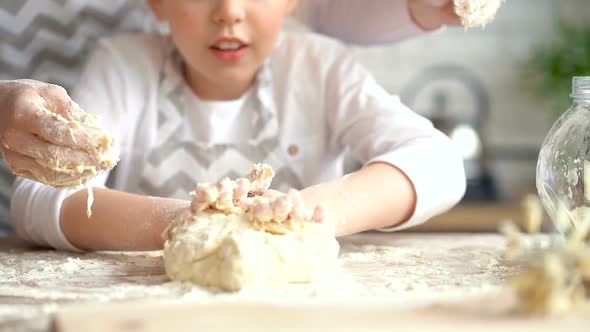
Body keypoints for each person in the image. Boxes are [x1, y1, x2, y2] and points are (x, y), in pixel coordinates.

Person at [9, 0, 466, 251]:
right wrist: (187, 223)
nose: (229, 10)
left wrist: (308, 214)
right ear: (157, 3)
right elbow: (38, 194)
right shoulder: (125, 66)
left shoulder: (321, 68)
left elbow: (440, 163)